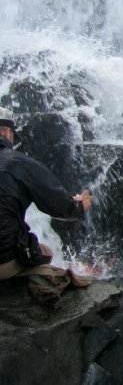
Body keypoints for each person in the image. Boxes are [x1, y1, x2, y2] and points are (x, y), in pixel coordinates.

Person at [0, 108, 94, 281]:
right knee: (45, 252)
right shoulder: (17, 162)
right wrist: (79, 205)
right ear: (6, 131)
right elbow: (60, 207)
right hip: (3, 262)